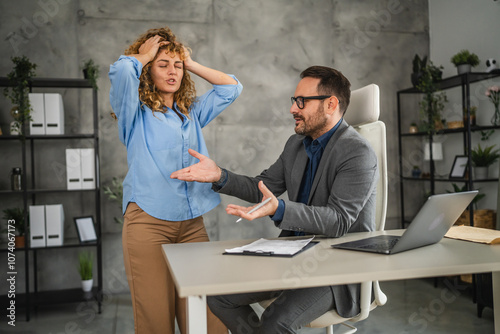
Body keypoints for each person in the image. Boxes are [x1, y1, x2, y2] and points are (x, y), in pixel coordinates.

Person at [170, 66, 378, 333]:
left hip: (338, 266)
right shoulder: (296, 145)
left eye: (301, 101)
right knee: (219, 295)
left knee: (275, 320)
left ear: (331, 104)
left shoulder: (357, 152)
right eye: (294, 101)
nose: (293, 108)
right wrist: (218, 175)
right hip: (293, 254)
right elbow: (262, 189)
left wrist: (279, 208)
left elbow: (338, 222)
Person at [108, 26, 242, 334]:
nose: (172, 71)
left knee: (210, 322)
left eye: (177, 65)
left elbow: (231, 87)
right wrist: (143, 55)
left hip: (192, 225)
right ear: (147, 71)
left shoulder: (191, 112)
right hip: (147, 224)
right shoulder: (134, 113)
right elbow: (120, 71)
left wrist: (189, 62)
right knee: (156, 322)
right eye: (162, 64)